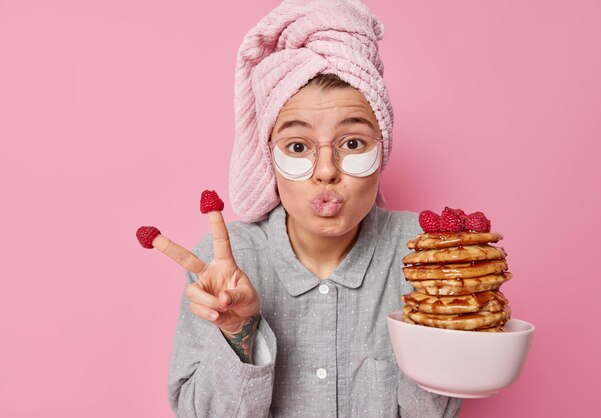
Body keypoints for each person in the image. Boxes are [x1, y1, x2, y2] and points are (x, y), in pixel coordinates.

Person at [151, 0, 463, 416]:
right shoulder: (226, 261)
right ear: (269, 157)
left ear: (382, 148)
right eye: (298, 147)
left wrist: (438, 321)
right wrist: (240, 331)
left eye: (352, 144)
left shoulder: (424, 254)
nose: (326, 171)